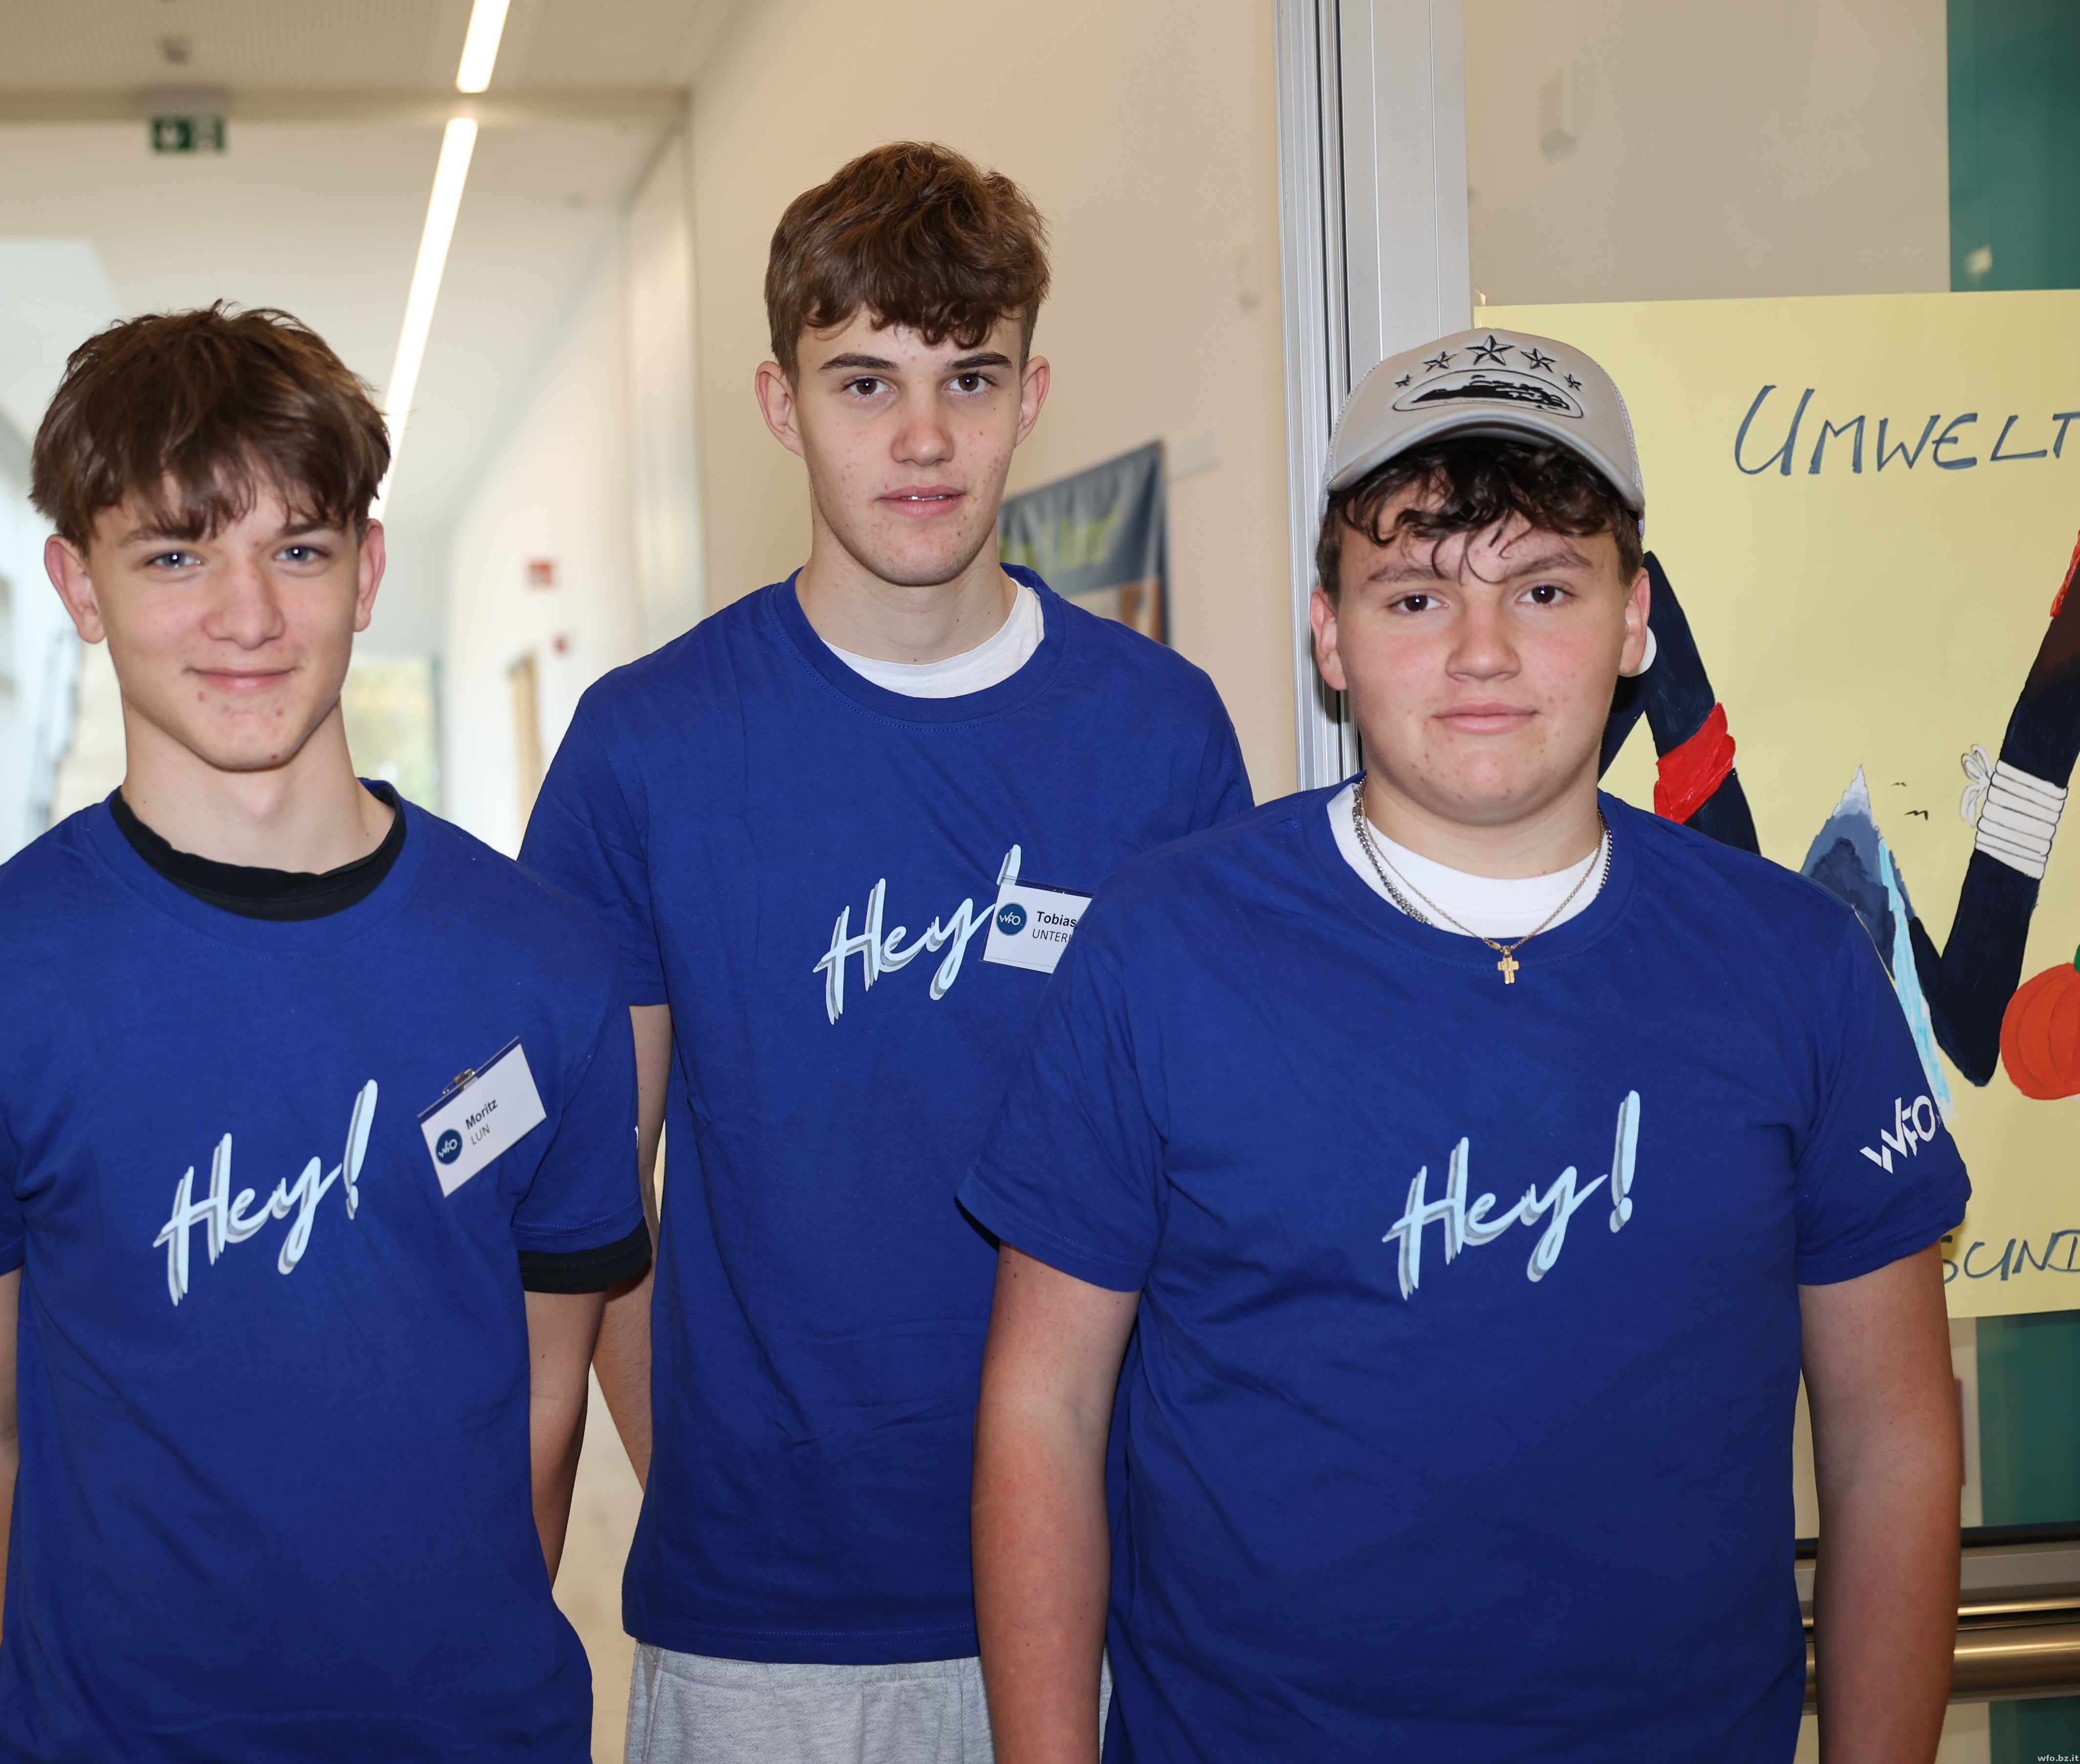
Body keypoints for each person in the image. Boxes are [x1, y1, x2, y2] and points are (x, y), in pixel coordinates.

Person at [967, 326, 1968, 1763]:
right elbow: (1043, 1412)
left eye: (1544, 589)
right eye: (1417, 594)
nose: (1482, 652)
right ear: (1329, 632)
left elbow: (1892, 1440)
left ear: (1636, 621)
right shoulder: (1162, 949)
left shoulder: (1797, 966)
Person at [520, 142, 1252, 1763]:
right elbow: (586, 1201)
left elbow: (1215, 1183)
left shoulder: (1159, 737)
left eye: (967, 378)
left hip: (1113, 1600)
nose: (923, 439)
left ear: (1030, 393)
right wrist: (713, 1482)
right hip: (762, 1635)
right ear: (781, 404)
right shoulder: (646, 749)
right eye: (865, 382)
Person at [0, 305, 646, 1762]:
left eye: (299, 549)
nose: (249, 617)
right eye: (174, 556)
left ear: (369, 571)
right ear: (78, 586)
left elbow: (543, 1403)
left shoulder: (545, 968)